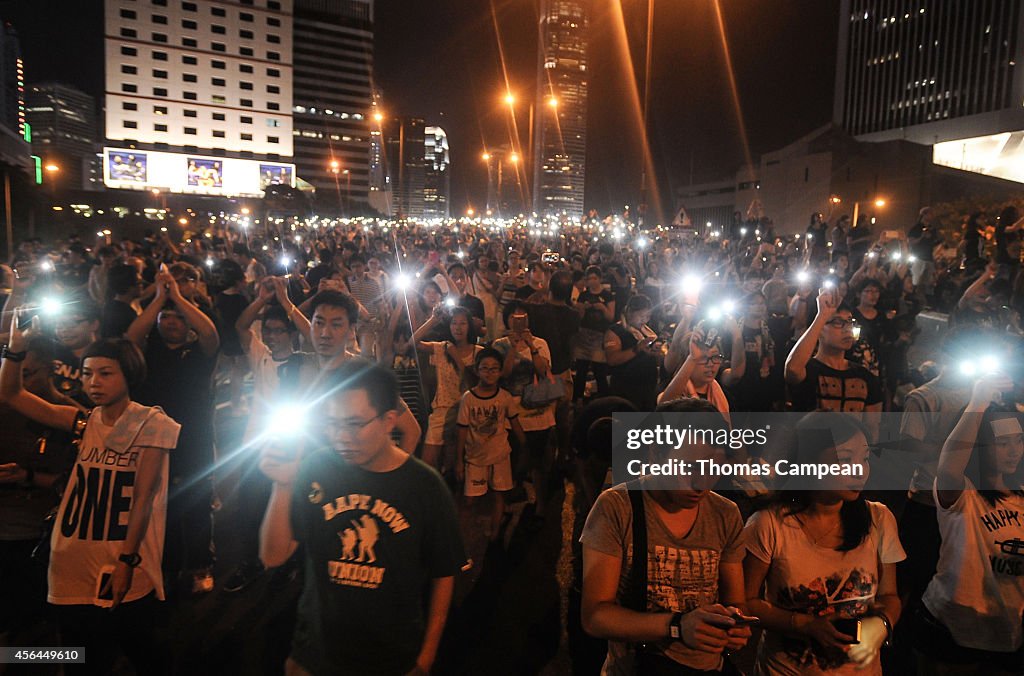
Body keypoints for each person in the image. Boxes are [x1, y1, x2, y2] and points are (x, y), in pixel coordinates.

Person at [258, 359, 466, 676]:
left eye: (354, 424)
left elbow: (444, 574)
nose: (341, 436)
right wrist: (282, 484)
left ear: (389, 420)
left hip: (390, 659)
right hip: (315, 655)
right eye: (332, 423)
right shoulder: (316, 468)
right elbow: (273, 556)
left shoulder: (424, 486)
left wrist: (426, 659)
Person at [0, 328, 180, 675]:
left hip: (118, 561)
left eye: (105, 373)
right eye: (86, 373)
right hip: (71, 558)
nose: (93, 382)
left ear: (129, 373)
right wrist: (15, 350)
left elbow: (143, 498)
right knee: (78, 653)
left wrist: (127, 561)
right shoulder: (83, 422)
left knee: (141, 646)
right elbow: (10, 393)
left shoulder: (150, 423)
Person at [580, 397, 752, 674]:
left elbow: (736, 601)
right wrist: (677, 626)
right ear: (655, 456)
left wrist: (735, 625)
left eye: (714, 469)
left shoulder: (726, 513)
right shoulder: (617, 506)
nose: (701, 483)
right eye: (689, 468)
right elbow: (595, 616)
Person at [743, 413, 904, 675]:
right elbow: (746, 603)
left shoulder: (879, 518)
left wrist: (881, 624)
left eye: (864, 458)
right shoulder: (768, 523)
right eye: (845, 459)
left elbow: (889, 596)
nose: (859, 469)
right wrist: (804, 624)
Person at [913, 374, 1024, 674]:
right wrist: (977, 404)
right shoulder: (964, 495)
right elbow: (949, 464)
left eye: (1018, 441)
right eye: (1002, 443)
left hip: (1008, 630)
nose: (1014, 450)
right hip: (953, 627)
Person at [128, 269, 221, 594]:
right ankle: (159, 567)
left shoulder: (198, 354)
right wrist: (160, 299)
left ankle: (199, 565)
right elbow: (131, 337)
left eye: (178, 318)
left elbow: (210, 334)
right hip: (149, 440)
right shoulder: (147, 351)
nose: (170, 322)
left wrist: (179, 298)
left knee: (195, 504)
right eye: (165, 317)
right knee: (152, 503)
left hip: (190, 440)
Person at [785, 288, 883, 425]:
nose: (847, 328)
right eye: (837, 322)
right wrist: (822, 315)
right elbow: (793, 369)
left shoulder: (864, 376)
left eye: (849, 321)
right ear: (819, 330)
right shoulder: (809, 370)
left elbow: (872, 430)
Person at [456, 348, 525, 541]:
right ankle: (469, 534)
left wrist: (524, 447)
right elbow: (462, 430)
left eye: (494, 368)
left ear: (501, 371)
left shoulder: (504, 397)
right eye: (485, 368)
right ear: (477, 370)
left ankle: (494, 534)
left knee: (498, 495)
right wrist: (459, 461)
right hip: (475, 458)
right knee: (470, 499)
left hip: (500, 455)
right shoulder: (468, 399)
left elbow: (515, 422)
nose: (490, 372)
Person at [413, 305, 482, 469]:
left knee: (457, 466)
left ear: (469, 326)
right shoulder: (441, 347)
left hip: (465, 413)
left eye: (462, 323)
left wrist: (456, 357)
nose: (458, 327)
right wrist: (433, 319)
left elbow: (474, 384)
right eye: (454, 323)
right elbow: (413, 343)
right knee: (428, 464)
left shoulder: (478, 352)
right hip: (441, 411)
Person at [603, 294, 661, 412]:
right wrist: (637, 349)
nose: (645, 320)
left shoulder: (646, 332)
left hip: (648, 388)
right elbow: (612, 359)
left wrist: (655, 352)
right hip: (626, 388)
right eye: (641, 316)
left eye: (648, 316)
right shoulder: (615, 331)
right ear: (629, 312)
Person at [573, 265, 615, 402]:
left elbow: (611, 317)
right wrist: (582, 309)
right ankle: (578, 399)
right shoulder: (583, 295)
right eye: (589, 278)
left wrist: (602, 308)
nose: (592, 281)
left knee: (599, 371)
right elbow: (578, 318)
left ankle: (604, 401)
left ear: (600, 279)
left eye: (594, 278)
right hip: (584, 335)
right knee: (581, 370)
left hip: (600, 335)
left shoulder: (607, 296)